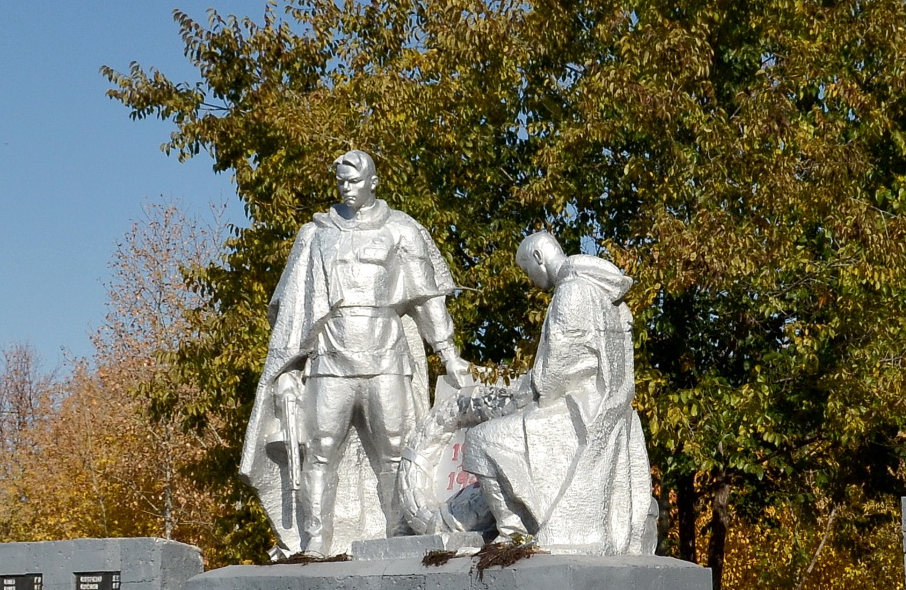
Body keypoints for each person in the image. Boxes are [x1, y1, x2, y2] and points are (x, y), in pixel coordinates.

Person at [237, 150, 470, 555]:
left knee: (396, 452)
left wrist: (449, 355)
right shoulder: (316, 235)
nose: (345, 188)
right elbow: (292, 309)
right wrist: (289, 369)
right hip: (330, 359)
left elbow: (428, 301)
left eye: (354, 181)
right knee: (320, 450)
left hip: (386, 357)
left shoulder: (402, 230)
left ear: (373, 183)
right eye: (341, 181)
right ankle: (314, 544)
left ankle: (400, 537)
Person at [459, 229, 658, 556]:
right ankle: (516, 531)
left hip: (577, 414)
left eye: (527, 271)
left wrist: (517, 398)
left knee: (481, 440)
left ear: (539, 258)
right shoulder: (604, 294)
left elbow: (552, 376)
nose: (532, 279)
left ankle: (514, 533)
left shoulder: (571, 293)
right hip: (602, 412)